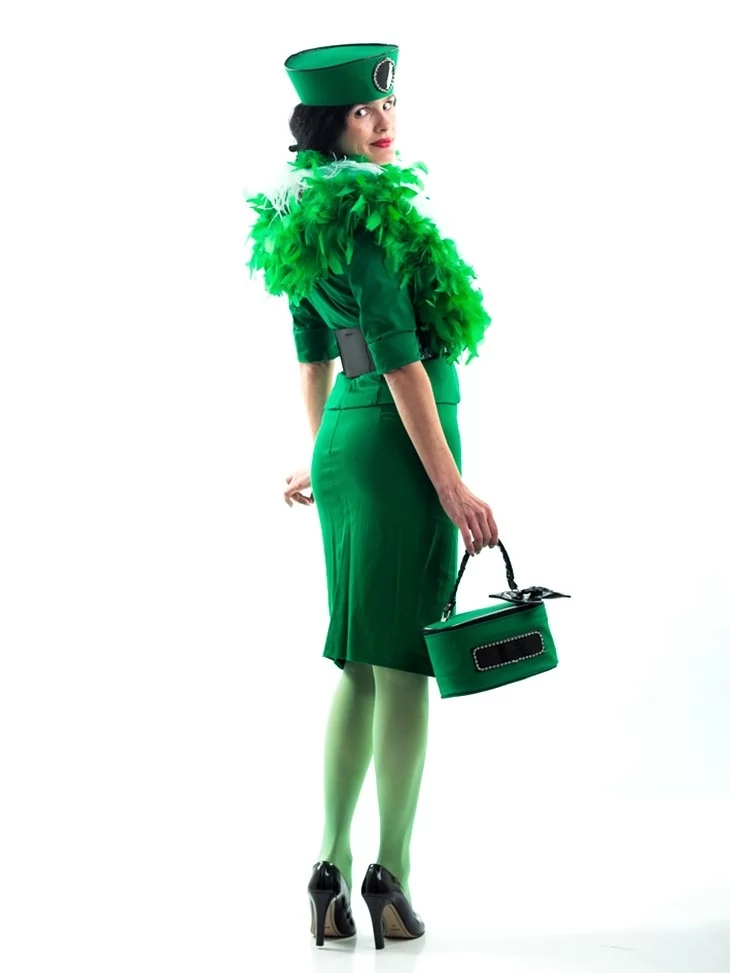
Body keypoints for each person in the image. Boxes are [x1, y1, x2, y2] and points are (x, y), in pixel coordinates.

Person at [246, 43, 499, 951]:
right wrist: (451, 483)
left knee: (359, 657)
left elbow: (313, 350)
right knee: (406, 664)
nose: (384, 122)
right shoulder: (366, 215)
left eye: (388, 106)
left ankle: (327, 867)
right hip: (403, 443)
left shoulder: (298, 217)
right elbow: (397, 356)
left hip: (349, 443)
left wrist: (321, 452)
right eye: (363, 111)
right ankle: (391, 874)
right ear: (330, 123)